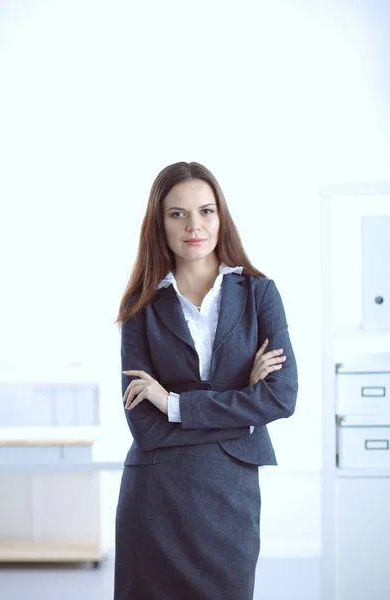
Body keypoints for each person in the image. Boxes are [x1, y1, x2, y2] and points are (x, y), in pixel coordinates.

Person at [114, 161, 298, 600]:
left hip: (229, 496)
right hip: (155, 496)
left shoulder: (259, 294)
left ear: (221, 217)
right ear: (159, 224)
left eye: (206, 211)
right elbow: (144, 425)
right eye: (177, 213)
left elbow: (282, 397)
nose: (194, 225)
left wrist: (174, 403)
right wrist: (243, 405)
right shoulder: (140, 305)